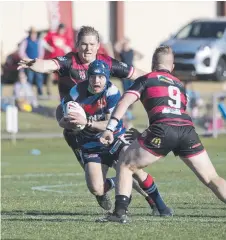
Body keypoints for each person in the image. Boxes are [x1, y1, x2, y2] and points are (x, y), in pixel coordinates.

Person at [17, 25, 146, 210]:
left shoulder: (106, 62)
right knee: (94, 179)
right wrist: (34, 64)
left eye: (92, 44)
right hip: (77, 129)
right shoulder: (69, 61)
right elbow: (48, 65)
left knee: (125, 165)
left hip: (104, 124)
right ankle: (101, 191)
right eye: (84, 44)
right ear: (77, 45)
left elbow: (136, 74)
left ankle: (152, 199)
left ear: (98, 45)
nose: (88, 48)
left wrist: (160, 79)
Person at [100, 45, 226, 223]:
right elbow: (173, 115)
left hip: (163, 130)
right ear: (172, 67)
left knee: (126, 164)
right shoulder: (180, 85)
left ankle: (119, 213)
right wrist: (145, 135)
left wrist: (110, 128)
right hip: (187, 131)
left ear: (153, 64)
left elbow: (125, 102)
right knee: (212, 178)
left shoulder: (147, 79)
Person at [60, 59, 172, 215]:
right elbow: (62, 117)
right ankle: (118, 181)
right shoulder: (76, 91)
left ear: (106, 77)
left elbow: (110, 123)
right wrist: (67, 122)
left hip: (115, 137)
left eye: (100, 77)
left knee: (135, 169)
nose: (96, 80)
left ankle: (160, 206)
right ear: (88, 77)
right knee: (96, 189)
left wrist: (86, 122)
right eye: (93, 76)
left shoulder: (112, 92)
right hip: (91, 143)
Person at [114, 38, 144, 128]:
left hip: (132, 73)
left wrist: (137, 56)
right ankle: (126, 112)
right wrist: (120, 42)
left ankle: (129, 112)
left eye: (127, 43)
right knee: (125, 91)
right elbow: (115, 48)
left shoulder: (131, 51)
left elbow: (141, 55)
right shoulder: (121, 52)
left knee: (132, 91)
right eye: (125, 44)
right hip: (124, 74)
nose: (126, 45)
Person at [19, 27, 45, 96]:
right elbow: (21, 52)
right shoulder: (25, 41)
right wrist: (27, 60)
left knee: (39, 78)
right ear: (30, 33)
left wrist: (38, 59)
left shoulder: (39, 41)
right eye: (32, 33)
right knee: (29, 79)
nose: (33, 35)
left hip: (37, 62)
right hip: (29, 63)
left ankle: (40, 94)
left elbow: (41, 51)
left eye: (34, 33)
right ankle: (28, 93)